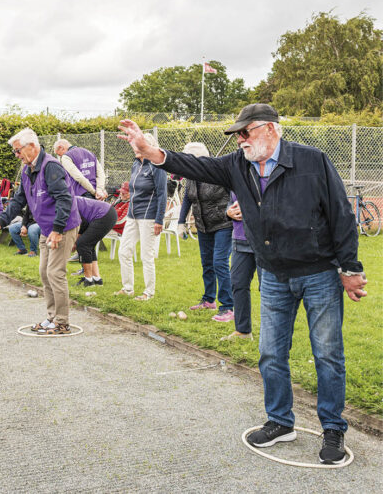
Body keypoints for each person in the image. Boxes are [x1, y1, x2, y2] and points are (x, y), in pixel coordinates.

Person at [118, 103, 367, 464]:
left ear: (271, 129)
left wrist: (349, 267)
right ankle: (281, 422)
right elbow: (194, 166)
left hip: (319, 274)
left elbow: (341, 215)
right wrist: (153, 152)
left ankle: (333, 428)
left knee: (327, 355)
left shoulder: (312, 161)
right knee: (270, 353)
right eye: (237, 134)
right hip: (273, 274)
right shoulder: (238, 165)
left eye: (245, 132)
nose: (240, 140)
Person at [0, 128, 81, 335]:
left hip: (63, 227)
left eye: (18, 150)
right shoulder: (27, 169)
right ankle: (51, 318)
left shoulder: (51, 167)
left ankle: (62, 322)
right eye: (15, 152)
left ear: (32, 146)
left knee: (55, 273)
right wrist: (0, 222)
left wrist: (58, 230)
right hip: (46, 228)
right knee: (44, 273)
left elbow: (65, 199)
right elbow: (19, 200)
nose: (16, 155)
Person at [177, 142, 234, 321]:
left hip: (224, 223)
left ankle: (228, 307)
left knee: (219, 262)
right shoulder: (192, 175)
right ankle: (209, 300)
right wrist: (181, 222)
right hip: (203, 225)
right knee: (207, 263)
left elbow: (234, 194)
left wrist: (232, 209)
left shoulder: (219, 171)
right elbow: (187, 198)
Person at [114, 133, 166, 301]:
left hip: (149, 217)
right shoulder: (136, 164)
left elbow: (162, 194)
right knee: (124, 251)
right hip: (132, 215)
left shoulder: (157, 166)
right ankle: (128, 288)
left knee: (146, 255)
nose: (135, 148)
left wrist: (159, 219)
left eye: (138, 145)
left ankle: (148, 292)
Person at [221, 192, 259, 341]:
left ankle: (272, 336)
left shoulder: (267, 172)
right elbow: (231, 202)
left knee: (268, 289)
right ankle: (243, 331)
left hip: (263, 241)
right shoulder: (237, 174)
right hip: (239, 239)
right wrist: (228, 211)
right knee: (238, 284)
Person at [73, 196, 117, 287]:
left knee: (82, 244)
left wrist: (76, 240)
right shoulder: (69, 200)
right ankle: (97, 279)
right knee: (88, 245)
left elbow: (83, 223)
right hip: (107, 213)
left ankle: (88, 281)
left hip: (104, 215)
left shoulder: (68, 203)